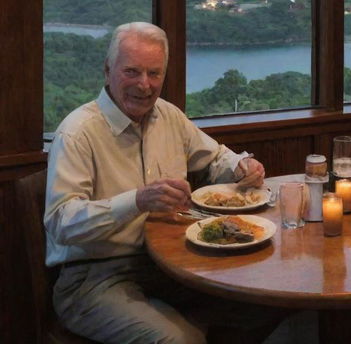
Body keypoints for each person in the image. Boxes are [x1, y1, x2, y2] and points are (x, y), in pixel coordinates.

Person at [45, 22, 277, 344]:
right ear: (107, 70)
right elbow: (61, 222)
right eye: (132, 72)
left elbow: (215, 158)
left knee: (263, 301)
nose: (144, 85)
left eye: (154, 74)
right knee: (178, 341)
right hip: (92, 277)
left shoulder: (168, 116)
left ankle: (190, 323)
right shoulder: (77, 132)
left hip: (170, 264)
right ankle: (187, 328)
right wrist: (137, 201)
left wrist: (241, 165)